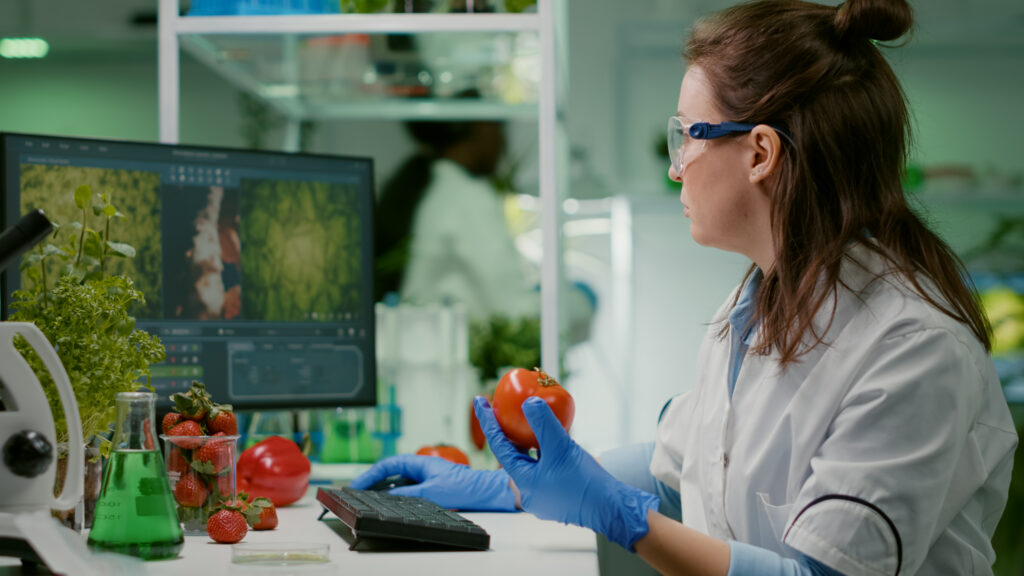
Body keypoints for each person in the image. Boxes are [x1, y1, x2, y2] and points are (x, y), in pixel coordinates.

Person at [353, 1, 1018, 574]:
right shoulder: (756, 302)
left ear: (761, 153)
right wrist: (506, 487)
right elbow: (680, 469)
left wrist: (620, 518)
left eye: (687, 136)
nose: (677, 169)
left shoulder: (913, 349)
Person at [374, 117, 536, 321]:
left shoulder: (437, 187)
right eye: (499, 129)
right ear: (481, 126)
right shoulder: (466, 197)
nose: (503, 142)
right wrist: (577, 301)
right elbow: (513, 306)